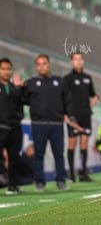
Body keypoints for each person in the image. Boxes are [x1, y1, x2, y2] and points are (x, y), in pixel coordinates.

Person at [23, 54, 82, 191]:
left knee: (59, 154)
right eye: (38, 64)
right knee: (38, 154)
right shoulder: (30, 83)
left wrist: (70, 116)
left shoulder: (59, 82)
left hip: (56, 124)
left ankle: (61, 180)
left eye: (44, 63)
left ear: (48, 64)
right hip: (38, 124)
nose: (41, 67)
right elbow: (25, 100)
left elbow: (67, 101)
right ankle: (39, 182)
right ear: (36, 66)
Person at [64, 52, 99, 182]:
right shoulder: (67, 79)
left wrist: (92, 103)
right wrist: (66, 115)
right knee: (72, 144)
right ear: (71, 62)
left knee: (84, 144)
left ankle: (83, 173)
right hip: (73, 116)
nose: (78, 62)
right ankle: (72, 174)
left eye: (80, 59)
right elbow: (63, 98)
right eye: (75, 59)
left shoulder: (87, 78)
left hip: (85, 116)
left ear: (83, 61)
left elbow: (93, 95)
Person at [0, 58, 24, 194]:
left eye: (8, 69)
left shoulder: (16, 86)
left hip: (15, 127)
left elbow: (21, 102)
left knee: (14, 158)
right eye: (3, 69)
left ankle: (12, 185)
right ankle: (2, 177)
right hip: (1, 127)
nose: (6, 72)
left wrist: (19, 88)